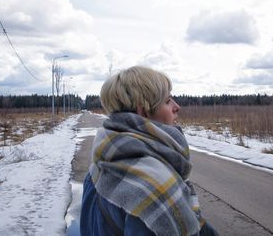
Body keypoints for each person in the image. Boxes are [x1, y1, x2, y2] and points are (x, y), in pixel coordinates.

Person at [80, 66, 218, 236]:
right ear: (143, 111)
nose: (177, 107)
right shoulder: (154, 190)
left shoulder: (99, 166)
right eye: (167, 101)